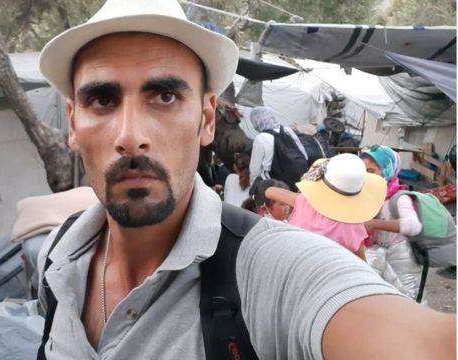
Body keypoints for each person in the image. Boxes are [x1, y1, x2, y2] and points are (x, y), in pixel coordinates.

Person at [36, 0, 456, 358]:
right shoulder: (55, 260)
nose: (130, 136)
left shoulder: (270, 271)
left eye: (164, 97)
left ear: (205, 120)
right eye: (102, 99)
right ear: (73, 123)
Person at [265, 154, 385, 260]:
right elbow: (362, 264)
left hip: (293, 263)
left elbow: (270, 191)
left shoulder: (303, 202)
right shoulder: (353, 226)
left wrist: (307, 193)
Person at [361, 145, 426, 301]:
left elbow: (413, 226)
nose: (365, 176)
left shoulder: (399, 197)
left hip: (402, 256)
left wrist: (374, 224)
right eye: (362, 171)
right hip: (380, 254)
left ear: (388, 170)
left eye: (371, 171)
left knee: (410, 299)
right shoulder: (369, 197)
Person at [248, 106, 308, 188]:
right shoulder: (287, 130)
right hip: (302, 174)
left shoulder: (261, 138)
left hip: (282, 182)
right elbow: (303, 153)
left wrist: (254, 188)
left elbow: (255, 170)